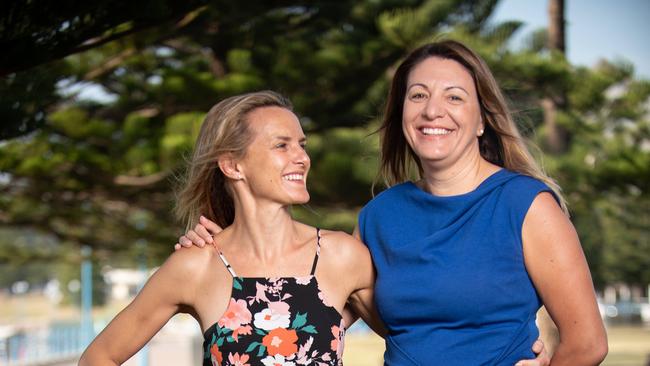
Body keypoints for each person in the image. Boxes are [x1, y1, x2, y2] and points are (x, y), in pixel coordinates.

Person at [178, 40, 607, 365]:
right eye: (417, 95)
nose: (432, 111)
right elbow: (311, 307)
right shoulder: (381, 216)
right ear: (401, 113)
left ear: (482, 120)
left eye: (454, 97)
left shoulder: (525, 205)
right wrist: (221, 250)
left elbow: (587, 343)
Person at [79, 91, 381, 366]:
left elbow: (416, 339)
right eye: (281, 145)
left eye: (302, 145)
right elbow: (98, 358)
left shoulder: (341, 256)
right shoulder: (197, 266)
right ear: (232, 166)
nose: (302, 158)